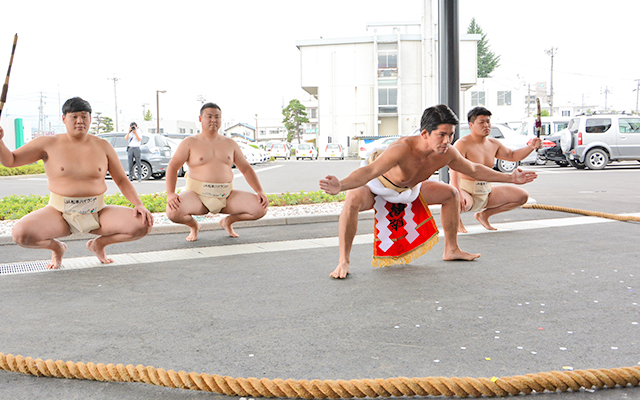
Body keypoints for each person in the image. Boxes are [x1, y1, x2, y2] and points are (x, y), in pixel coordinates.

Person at [319, 104, 538, 279]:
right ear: (425, 133)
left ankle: (451, 249)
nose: (447, 141)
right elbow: (370, 170)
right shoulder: (402, 148)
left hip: (410, 189)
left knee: (450, 193)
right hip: (378, 186)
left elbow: (474, 169)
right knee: (352, 200)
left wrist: (510, 178)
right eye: (441, 135)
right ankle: (343, 260)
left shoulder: (447, 152)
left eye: (451, 135)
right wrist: (341, 185)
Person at [0, 97, 154, 269]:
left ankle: (99, 244)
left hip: (98, 212)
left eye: (84, 116)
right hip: (59, 213)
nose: (80, 121)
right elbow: (11, 160)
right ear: (64, 119)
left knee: (143, 223)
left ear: (90, 119)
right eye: (74, 116)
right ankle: (57, 248)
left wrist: (138, 204)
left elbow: (121, 180)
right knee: (20, 234)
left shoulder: (103, 145)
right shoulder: (48, 143)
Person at [165, 102, 268, 241]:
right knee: (173, 212)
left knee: (260, 209)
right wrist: (171, 193)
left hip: (226, 195)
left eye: (217, 117)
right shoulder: (189, 142)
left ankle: (228, 221)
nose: (213, 120)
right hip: (197, 196)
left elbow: (246, 169)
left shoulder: (230, 144)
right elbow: (172, 167)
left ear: (221, 119)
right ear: (200, 119)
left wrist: (259, 191)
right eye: (209, 116)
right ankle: (194, 226)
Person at [450, 107, 542, 233]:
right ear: (471, 125)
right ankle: (457, 221)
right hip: (466, 191)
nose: (486, 125)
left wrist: (531, 146)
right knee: (455, 199)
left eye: (488, 122)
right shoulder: (462, 144)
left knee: (521, 196)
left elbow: (512, 155)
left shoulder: (493, 143)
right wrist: (457, 191)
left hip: (486, 191)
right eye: (481, 122)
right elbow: (454, 169)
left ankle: (484, 215)